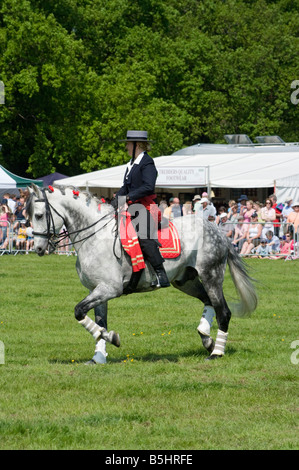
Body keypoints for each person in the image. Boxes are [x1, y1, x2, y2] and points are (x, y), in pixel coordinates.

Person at [112, 130, 170, 291]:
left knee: (143, 236)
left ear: (137, 145)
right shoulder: (131, 164)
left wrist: (128, 198)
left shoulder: (147, 163)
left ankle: (161, 273)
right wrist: (116, 199)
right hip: (131, 205)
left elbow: (148, 186)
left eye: (128, 144)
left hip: (145, 206)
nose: (126, 147)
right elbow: (125, 187)